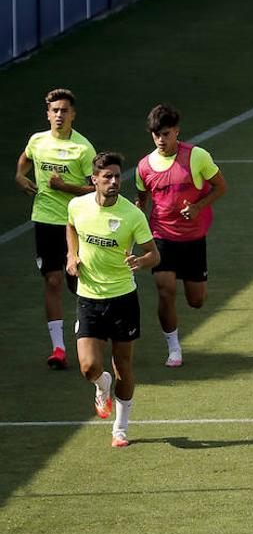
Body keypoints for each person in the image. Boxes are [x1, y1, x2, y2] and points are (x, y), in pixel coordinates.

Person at [65, 152, 160, 447]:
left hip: (123, 299)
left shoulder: (132, 215)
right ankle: (101, 385)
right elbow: (70, 226)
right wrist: (72, 254)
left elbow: (154, 254)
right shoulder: (77, 206)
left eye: (118, 176)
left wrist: (140, 262)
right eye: (107, 177)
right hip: (89, 297)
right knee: (88, 367)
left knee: (124, 366)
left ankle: (120, 428)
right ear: (94, 180)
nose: (114, 181)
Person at [135, 104, 228, 368]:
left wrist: (198, 206)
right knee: (165, 291)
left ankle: (180, 328)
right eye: (156, 135)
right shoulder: (144, 166)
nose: (161, 140)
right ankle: (173, 348)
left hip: (193, 238)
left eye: (165, 134)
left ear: (176, 131)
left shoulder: (196, 156)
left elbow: (221, 186)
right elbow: (142, 200)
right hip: (162, 235)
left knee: (196, 300)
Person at [15, 88, 95, 369]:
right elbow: (24, 160)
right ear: (48, 114)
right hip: (46, 221)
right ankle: (58, 348)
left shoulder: (83, 148)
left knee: (78, 282)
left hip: (76, 223)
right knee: (52, 281)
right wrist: (19, 177)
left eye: (64, 110)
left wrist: (66, 187)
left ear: (73, 114)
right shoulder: (37, 141)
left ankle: (87, 328)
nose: (59, 115)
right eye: (55, 110)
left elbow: (95, 188)